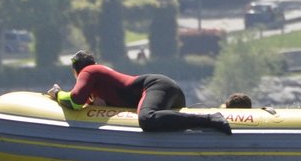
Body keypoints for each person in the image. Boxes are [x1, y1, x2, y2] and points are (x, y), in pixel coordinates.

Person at [47, 52, 231, 134]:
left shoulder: (89, 71)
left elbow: (75, 100)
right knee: (153, 119)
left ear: (76, 71)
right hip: (166, 91)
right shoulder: (101, 85)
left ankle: (209, 119)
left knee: (147, 119)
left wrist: (57, 93)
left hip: (155, 85)